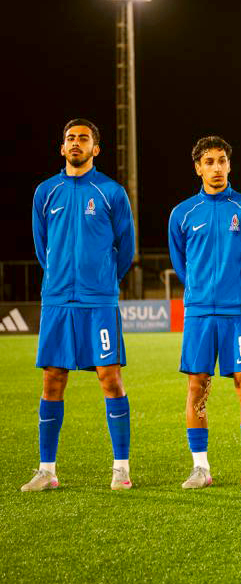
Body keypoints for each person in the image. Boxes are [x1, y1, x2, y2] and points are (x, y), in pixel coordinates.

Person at [23, 119, 136, 492]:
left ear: (95, 149)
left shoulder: (111, 192)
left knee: (110, 377)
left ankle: (121, 468)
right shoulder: (46, 192)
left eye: (83, 138)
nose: (75, 143)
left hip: (98, 301)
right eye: (70, 138)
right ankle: (47, 470)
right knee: (52, 379)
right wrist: (59, 276)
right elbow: (42, 246)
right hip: (58, 301)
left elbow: (126, 247)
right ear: (62, 147)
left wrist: (102, 280)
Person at [168, 136, 241, 488]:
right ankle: (200, 468)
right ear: (198, 168)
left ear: (230, 165)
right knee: (197, 386)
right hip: (199, 312)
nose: (216, 167)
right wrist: (200, 290)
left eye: (222, 160)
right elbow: (181, 263)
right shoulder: (182, 213)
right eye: (209, 161)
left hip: (238, 312)